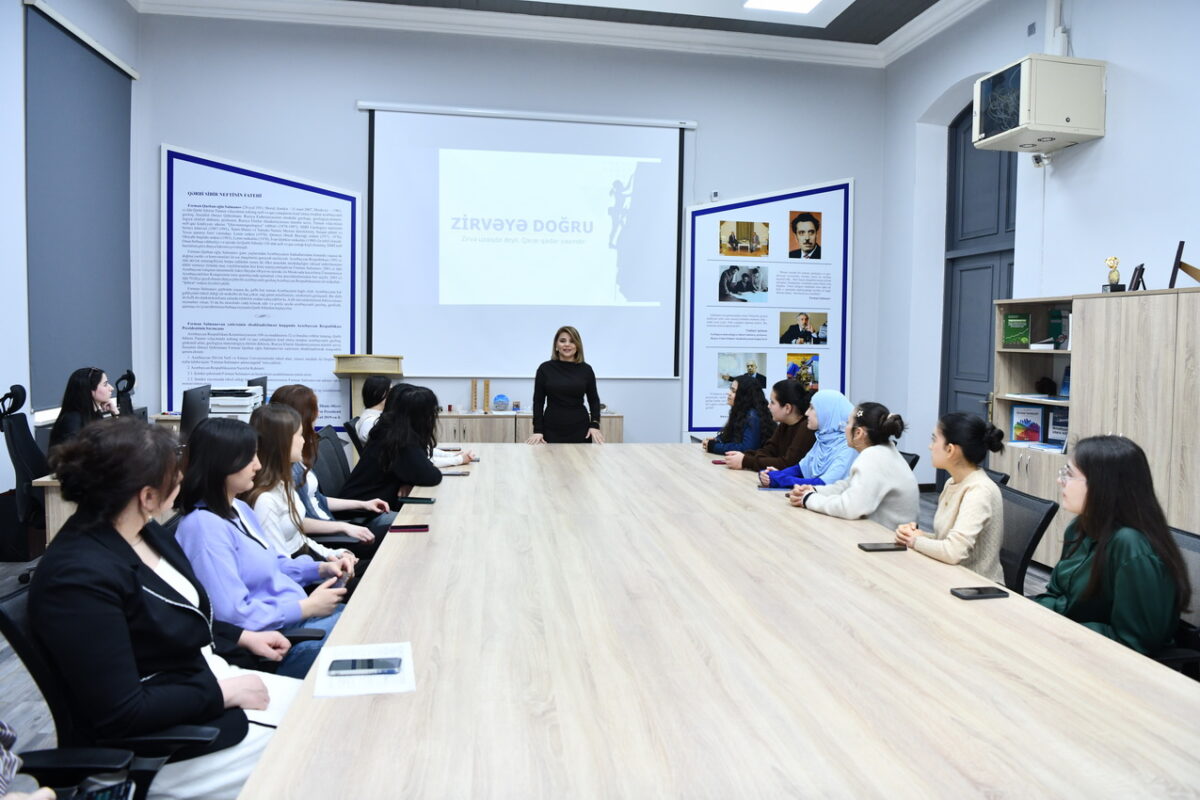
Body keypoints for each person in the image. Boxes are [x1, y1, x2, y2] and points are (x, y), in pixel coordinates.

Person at [29, 418, 301, 800]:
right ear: (147, 496)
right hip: (159, 745)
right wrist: (223, 693)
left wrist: (241, 636)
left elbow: (176, 617)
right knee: (314, 743)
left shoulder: (144, 532)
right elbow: (121, 712)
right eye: (174, 475)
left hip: (201, 686)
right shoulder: (77, 577)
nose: (181, 481)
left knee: (329, 708)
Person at [176, 417, 351, 679]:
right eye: (249, 459)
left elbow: (274, 563)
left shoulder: (238, 509)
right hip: (282, 640)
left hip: (298, 619)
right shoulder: (204, 529)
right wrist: (306, 608)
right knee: (371, 630)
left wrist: (321, 568)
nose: (257, 465)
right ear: (222, 464)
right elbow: (232, 615)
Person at [1034, 435, 1192, 655]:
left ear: (1103, 485)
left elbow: (1135, 642)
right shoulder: (1080, 527)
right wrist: (1030, 615)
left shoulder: (1131, 546)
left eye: (1069, 474)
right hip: (1072, 646)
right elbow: (1057, 595)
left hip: (1111, 664)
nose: (1060, 481)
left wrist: (1061, 630)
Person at [270, 384, 393, 541]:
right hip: (326, 536)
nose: (319, 414)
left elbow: (317, 499)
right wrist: (344, 527)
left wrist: (363, 504)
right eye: (315, 410)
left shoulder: (298, 456)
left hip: (332, 526)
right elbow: (296, 521)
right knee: (402, 530)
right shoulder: (285, 466)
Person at [894, 412, 1006, 583]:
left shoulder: (979, 491)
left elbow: (953, 552)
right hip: (951, 577)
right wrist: (919, 535)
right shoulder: (952, 483)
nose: (930, 447)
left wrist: (915, 540)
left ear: (950, 449)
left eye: (934, 440)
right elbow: (947, 542)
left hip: (976, 588)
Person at [245, 403, 362, 563]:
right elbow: (280, 565)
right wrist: (323, 569)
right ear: (282, 442)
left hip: (309, 564)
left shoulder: (283, 482)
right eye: (299, 435)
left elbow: (298, 539)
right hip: (300, 578)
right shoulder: (265, 500)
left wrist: (333, 554)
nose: (304, 441)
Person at [790, 402, 919, 530]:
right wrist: (814, 491)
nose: (844, 428)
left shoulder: (872, 458)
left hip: (885, 540)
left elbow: (849, 508)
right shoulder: (884, 451)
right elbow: (847, 485)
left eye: (848, 423)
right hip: (882, 535)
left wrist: (809, 499)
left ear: (858, 433)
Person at [341, 384, 444, 508]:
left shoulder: (389, 431)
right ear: (420, 417)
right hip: (361, 514)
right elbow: (432, 476)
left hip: (361, 504)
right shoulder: (400, 441)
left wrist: (407, 482)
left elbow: (416, 470)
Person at [762, 389, 856, 489]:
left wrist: (779, 478)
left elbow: (824, 484)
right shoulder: (823, 439)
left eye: (812, 408)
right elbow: (800, 469)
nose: (807, 413)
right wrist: (769, 474)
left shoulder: (849, 446)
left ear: (826, 412)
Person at [527, 326, 604, 445]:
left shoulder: (586, 370)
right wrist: (538, 430)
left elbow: (594, 400)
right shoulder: (545, 369)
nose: (567, 344)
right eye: (562, 341)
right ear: (556, 346)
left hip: (580, 429)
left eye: (572, 341)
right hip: (551, 429)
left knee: (581, 463)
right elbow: (538, 401)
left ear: (577, 345)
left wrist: (594, 424)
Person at [722, 379, 814, 472]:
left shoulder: (806, 427)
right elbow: (768, 451)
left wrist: (746, 461)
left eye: (773, 402)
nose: (768, 406)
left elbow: (787, 464)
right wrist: (743, 456)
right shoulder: (784, 424)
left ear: (787, 408)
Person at [702, 374, 775, 456]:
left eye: (733, 391)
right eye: (730, 390)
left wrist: (714, 447)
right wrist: (718, 440)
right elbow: (731, 436)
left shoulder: (753, 416)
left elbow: (746, 449)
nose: (728, 393)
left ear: (744, 395)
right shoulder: (740, 411)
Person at [48, 367, 119, 449]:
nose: (111, 388)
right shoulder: (72, 419)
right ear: (89, 389)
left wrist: (115, 413)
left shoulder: (94, 414)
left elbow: (114, 442)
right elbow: (73, 457)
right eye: (105, 384)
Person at [353, 374, 391, 441]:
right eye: (389, 391)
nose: (392, 394)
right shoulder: (370, 422)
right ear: (376, 392)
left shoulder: (375, 416)